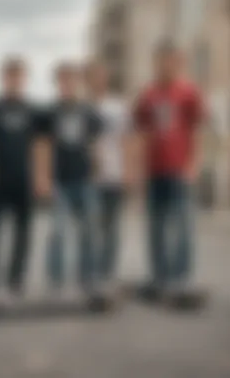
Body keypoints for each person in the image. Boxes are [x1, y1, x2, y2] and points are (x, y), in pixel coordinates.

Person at [133, 40, 205, 307]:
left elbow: (198, 131)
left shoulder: (188, 93)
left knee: (182, 226)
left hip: (180, 170)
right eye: (161, 61)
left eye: (171, 61)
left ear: (179, 63)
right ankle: (159, 277)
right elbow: (141, 131)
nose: (165, 66)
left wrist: (193, 165)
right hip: (154, 171)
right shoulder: (148, 95)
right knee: (156, 227)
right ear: (155, 63)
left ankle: (181, 277)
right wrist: (139, 170)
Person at [0, 58, 42, 311]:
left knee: (23, 233)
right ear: (3, 78)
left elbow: (40, 145)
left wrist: (40, 178)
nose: (14, 80)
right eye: (10, 75)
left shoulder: (33, 111)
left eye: (19, 76)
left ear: (25, 79)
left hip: (23, 179)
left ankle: (15, 280)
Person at [40, 62, 102, 297]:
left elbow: (95, 144)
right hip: (59, 179)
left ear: (78, 83)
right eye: (63, 80)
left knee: (88, 230)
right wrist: (43, 176)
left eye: (72, 80)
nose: (68, 84)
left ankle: (88, 278)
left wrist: (97, 172)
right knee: (57, 230)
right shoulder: (49, 112)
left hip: (84, 178)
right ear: (58, 83)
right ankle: (55, 281)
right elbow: (43, 145)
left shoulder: (88, 111)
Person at [84, 60, 131, 294]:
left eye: (101, 75)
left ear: (107, 78)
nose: (98, 80)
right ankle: (91, 275)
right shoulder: (82, 107)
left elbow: (126, 140)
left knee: (112, 229)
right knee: (92, 228)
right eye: (93, 76)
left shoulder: (118, 106)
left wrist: (128, 171)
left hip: (115, 174)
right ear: (88, 80)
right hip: (90, 179)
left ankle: (108, 273)